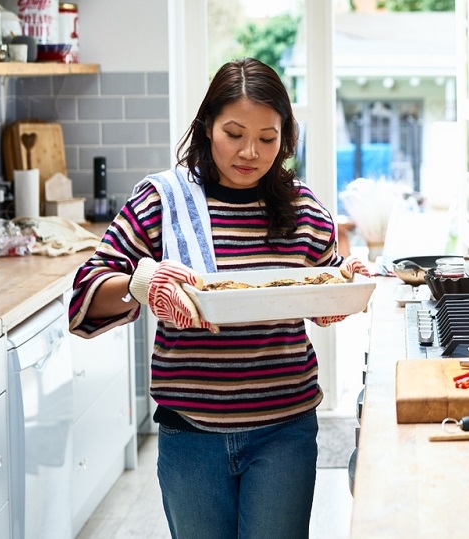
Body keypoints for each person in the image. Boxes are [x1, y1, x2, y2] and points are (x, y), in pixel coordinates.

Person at [68, 57, 368, 538]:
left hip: (285, 429)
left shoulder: (305, 210)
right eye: (234, 133)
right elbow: (86, 292)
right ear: (208, 125)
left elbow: (325, 295)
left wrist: (346, 286)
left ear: (286, 137)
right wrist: (138, 283)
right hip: (190, 435)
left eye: (267, 139)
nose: (250, 151)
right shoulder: (161, 201)